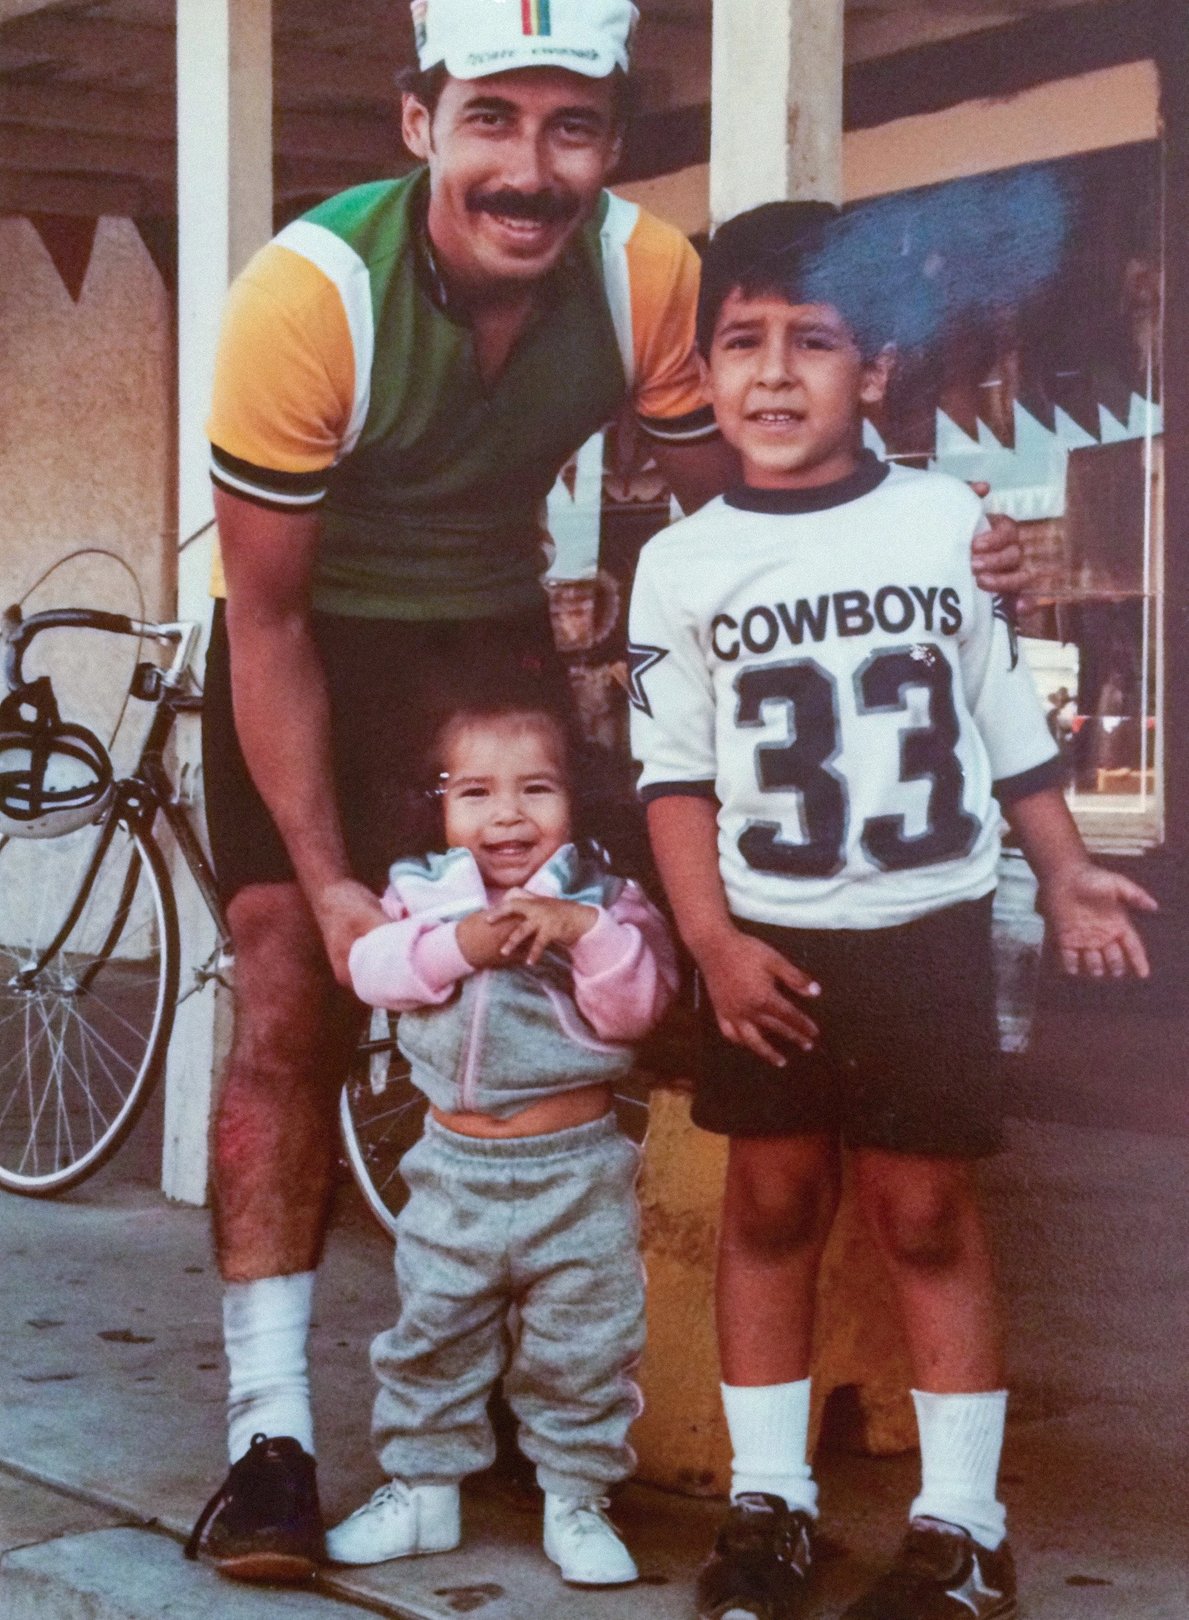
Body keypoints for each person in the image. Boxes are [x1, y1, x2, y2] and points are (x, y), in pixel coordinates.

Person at [187, 0, 1025, 1582]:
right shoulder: (311, 298)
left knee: (603, 964)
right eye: (492, 119)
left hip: (489, 634)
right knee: (294, 987)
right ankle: (271, 1440)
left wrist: (939, 535)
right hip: (306, 648)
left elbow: (763, 520)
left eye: (568, 127)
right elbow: (274, 620)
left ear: (613, 142)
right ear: (420, 120)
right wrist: (331, 873)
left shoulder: (646, 276)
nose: (529, 165)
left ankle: (572, 1395)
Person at [627, 202, 1157, 1620]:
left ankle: (963, 1526)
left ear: (878, 370)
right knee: (773, 1196)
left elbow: (999, 722)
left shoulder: (940, 525)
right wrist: (713, 941)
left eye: (816, 342)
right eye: (743, 343)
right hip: (768, 939)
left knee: (923, 1210)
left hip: (923, 926)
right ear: (703, 374)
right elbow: (672, 774)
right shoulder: (680, 565)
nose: (777, 372)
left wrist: (1060, 865)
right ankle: (768, 1508)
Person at [322, 698, 677, 1585]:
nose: (507, 815)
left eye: (536, 789)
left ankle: (576, 1499)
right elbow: (373, 969)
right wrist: (456, 945)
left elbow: (639, 1006)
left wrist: (584, 934)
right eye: (475, 792)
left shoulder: (603, 895)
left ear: (576, 799)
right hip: (454, 1169)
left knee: (582, 1344)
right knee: (432, 1333)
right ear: (438, 807)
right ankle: (422, 1493)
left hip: (576, 1170)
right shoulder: (424, 893)